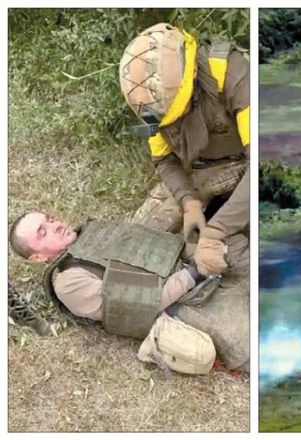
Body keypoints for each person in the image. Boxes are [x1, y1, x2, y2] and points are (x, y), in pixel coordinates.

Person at [9, 211, 249, 372]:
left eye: (50, 219)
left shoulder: (92, 232)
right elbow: (141, 306)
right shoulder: (68, 282)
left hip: (189, 259)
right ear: (38, 257)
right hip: (186, 303)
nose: (56, 225)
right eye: (43, 231)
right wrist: (197, 272)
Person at [119, 23, 250, 277]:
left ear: (191, 76)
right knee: (141, 234)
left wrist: (217, 231)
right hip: (199, 173)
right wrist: (188, 202)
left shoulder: (231, 74)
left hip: (243, 164)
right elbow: (164, 159)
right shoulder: (147, 98)